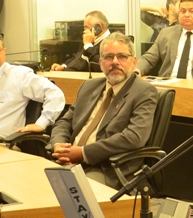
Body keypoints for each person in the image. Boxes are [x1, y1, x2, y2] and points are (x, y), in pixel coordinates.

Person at [50, 33, 159, 188]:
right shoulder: (89, 86)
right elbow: (65, 122)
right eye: (108, 57)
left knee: (76, 190)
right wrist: (59, 146)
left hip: (106, 167)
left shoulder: (144, 91)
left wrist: (83, 153)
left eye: (122, 56)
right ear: (101, 62)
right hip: (68, 159)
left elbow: (134, 137)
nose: (115, 62)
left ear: (134, 62)